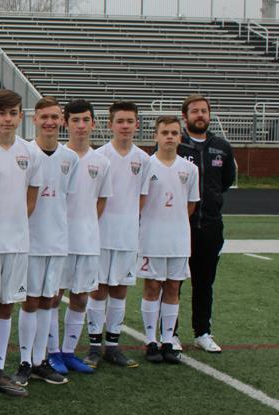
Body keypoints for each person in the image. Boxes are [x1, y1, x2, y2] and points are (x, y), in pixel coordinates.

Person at [0, 88, 41, 399]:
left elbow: (31, 199)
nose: (8, 119)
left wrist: (15, 226)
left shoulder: (30, 152)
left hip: (17, 242)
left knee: (6, 305)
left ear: (20, 116)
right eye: (2, 113)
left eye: (13, 113)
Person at [48, 99, 116, 373]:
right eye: (75, 120)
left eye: (86, 120)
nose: (81, 125)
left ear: (93, 124)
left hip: (87, 241)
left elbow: (101, 201)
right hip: (58, 241)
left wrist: (85, 225)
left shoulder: (102, 162)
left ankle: (68, 352)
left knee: (80, 298)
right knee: (53, 297)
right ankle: (51, 352)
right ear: (65, 123)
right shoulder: (57, 156)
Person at [17, 97, 77, 387]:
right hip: (29, 239)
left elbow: (69, 200)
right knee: (29, 301)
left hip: (57, 239)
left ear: (62, 120)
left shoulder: (70, 158)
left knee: (49, 301)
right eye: (44, 117)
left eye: (55, 117)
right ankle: (25, 362)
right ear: (35, 119)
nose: (50, 122)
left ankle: (40, 360)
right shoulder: (25, 153)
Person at [86, 101, 149, 368]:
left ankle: (112, 346)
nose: (125, 126)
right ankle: (93, 347)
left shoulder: (144, 159)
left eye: (129, 121)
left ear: (137, 125)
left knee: (120, 290)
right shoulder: (99, 156)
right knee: (98, 289)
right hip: (100, 234)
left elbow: (142, 198)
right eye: (120, 121)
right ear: (110, 124)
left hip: (127, 236)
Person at [176, 94, 235, 353]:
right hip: (179, 226)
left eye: (204, 111)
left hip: (210, 226)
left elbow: (225, 181)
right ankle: (170, 333)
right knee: (173, 282)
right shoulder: (176, 143)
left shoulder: (221, 146)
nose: (200, 115)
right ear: (185, 117)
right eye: (195, 111)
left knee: (204, 283)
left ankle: (202, 332)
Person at [139, 116, 199, 364]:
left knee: (173, 288)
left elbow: (191, 205)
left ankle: (167, 340)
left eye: (174, 133)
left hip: (179, 239)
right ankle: (150, 340)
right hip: (151, 236)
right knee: (153, 287)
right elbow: (140, 203)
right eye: (165, 133)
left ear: (180, 137)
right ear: (156, 136)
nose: (170, 137)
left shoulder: (190, 169)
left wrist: (175, 223)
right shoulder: (146, 165)